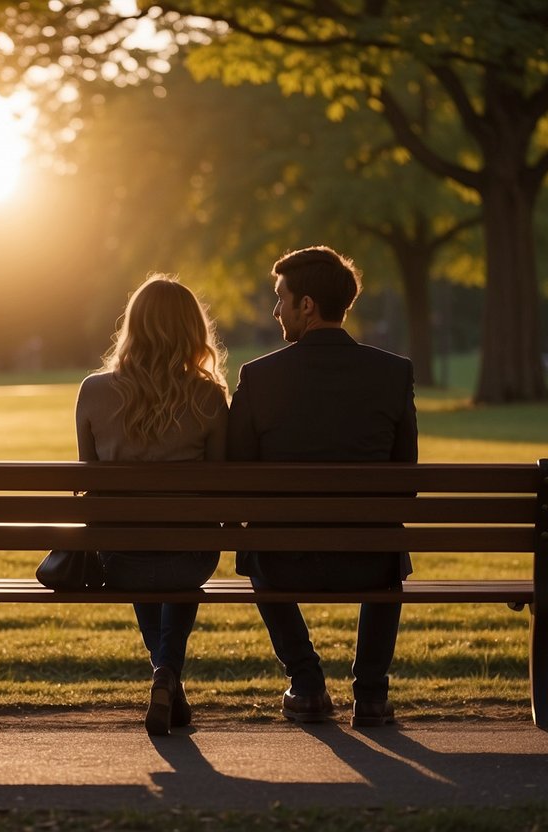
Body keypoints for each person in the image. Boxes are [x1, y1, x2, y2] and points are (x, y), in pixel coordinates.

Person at [227, 246, 417, 728]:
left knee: (255, 548)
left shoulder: (258, 377)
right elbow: (405, 480)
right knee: (388, 542)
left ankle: (307, 683)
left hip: (284, 561)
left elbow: (236, 479)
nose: (276, 310)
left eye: (281, 298)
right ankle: (371, 694)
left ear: (306, 305)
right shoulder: (393, 374)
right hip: (370, 559)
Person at [75, 274, 229, 736]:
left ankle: (164, 674)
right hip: (192, 555)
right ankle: (167, 674)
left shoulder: (94, 391)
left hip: (120, 555)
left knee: (139, 548)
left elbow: (89, 482)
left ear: (134, 326)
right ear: (191, 330)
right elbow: (221, 484)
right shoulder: (208, 395)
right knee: (179, 555)